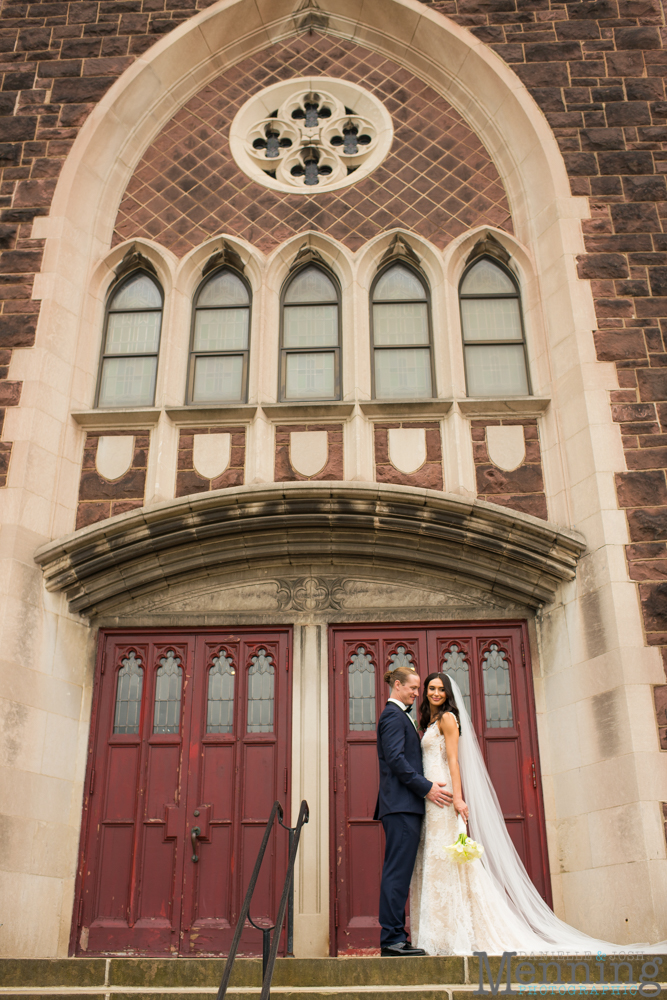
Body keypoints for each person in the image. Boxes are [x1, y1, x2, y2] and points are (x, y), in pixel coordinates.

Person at [410, 672, 667, 955]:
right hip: (430, 799)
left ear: (448, 694)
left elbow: (454, 761)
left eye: (441, 689)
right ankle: (439, 933)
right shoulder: (429, 721)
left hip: (445, 798)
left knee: (450, 861)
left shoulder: (447, 719)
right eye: (431, 689)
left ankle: (457, 934)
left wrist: (459, 799)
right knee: (436, 860)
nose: (436, 693)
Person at [374, 664, 453, 957]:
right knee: (397, 873)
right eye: (414, 687)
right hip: (402, 806)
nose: (417, 693)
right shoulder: (393, 716)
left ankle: (396, 937)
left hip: (404, 806)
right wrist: (427, 787)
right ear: (397, 685)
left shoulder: (399, 716)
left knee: (400, 872)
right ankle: (393, 939)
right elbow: (396, 760)